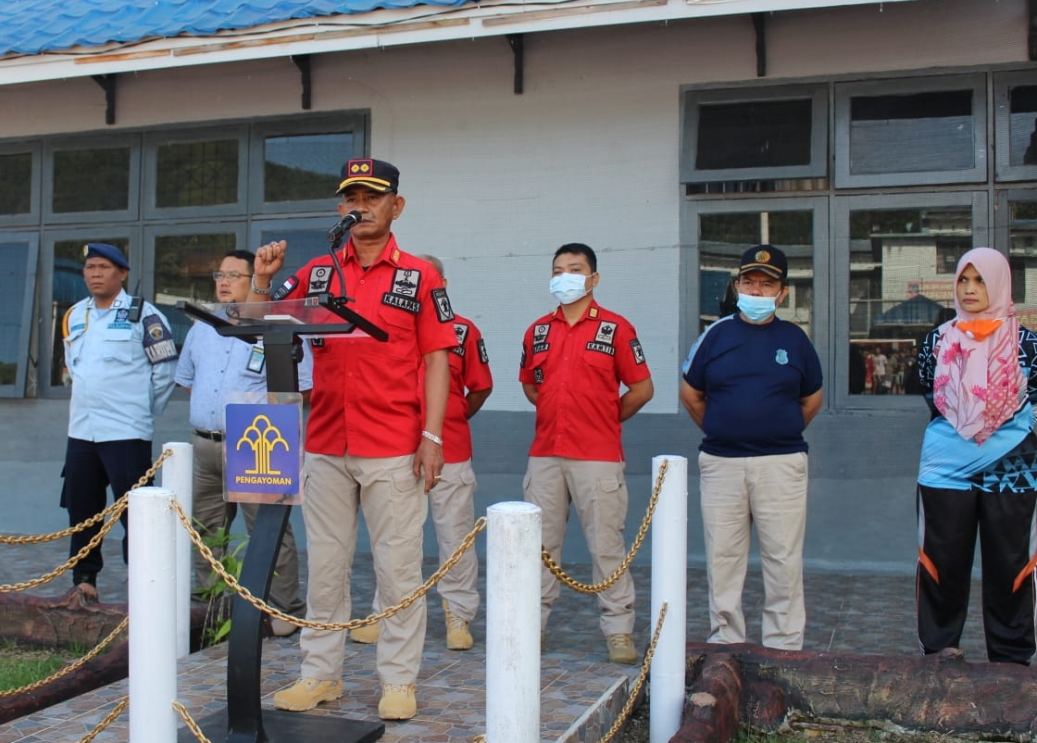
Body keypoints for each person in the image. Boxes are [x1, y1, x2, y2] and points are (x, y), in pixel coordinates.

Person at [255, 158, 457, 721]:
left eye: (372, 196)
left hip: (392, 443)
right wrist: (264, 281)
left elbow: (438, 359)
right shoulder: (319, 271)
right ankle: (320, 674)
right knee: (326, 566)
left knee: (397, 569)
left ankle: (397, 680)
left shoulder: (419, 276)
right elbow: (258, 317)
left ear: (397, 205)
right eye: (351, 197)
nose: (360, 206)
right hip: (324, 440)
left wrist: (432, 436)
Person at [679, 244, 823, 651]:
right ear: (736, 285)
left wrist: (776, 431)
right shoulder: (716, 335)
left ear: (783, 293)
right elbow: (691, 394)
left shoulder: (795, 340)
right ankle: (726, 644)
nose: (756, 291)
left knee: (782, 560)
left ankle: (783, 647)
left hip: (781, 465)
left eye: (767, 284)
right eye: (748, 282)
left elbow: (812, 400)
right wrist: (726, 429)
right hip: (723, 464)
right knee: (723, 559)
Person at [349, 254, 494, 651]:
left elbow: (480, 387)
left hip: (450, 449)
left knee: (455, 537)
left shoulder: (464, 331)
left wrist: (453, 416)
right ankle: (386, 612)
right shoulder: (384, 324)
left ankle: (458, 615)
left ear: (442, 284)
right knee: (392, 541)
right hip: (393, 447)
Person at [519, 242, 654, 664]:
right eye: (558, 269)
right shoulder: (538, 329)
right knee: (538, 548)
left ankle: (618, 630)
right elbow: (530, 384)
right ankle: (530, 627)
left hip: (597, 455)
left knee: (606, 546)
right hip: (545, 454)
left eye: (575, 269)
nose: (565, 277)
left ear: (594, 278)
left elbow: (642, 389)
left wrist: (606, 419)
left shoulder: (616, 329)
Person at [174, 249, 312, 636]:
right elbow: (188, 380)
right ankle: (210, 604)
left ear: (256, 281)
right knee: (206, 528)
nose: (222, 281)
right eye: (219, 273)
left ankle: (284, 607)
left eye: (234, 275)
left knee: (267, 530)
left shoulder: (278, 323)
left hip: (258, 439)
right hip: (205, 444)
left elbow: (302, 387)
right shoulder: (203, 326)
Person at [915, 247, 1037, 665]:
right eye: (963, 280)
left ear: (1000, 283)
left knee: (1010, 568)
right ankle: (938, 651)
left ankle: (1011, 663)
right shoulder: (936, 339)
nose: (969, 289)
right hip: (945, 471)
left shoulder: (1028, 345)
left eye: (980, 280)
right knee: (941, 565)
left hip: (1013, 472)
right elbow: (932, 396)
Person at [60, 243, 178, 599]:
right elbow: (74, 368)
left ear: (122, 273)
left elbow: (165, 368)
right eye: (89, 267)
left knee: (136, 513)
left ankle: (142, 581)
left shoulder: (145, 315)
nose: (95, 274)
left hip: (126, 432)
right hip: (82, 431)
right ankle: (84, 581)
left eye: (103, 267)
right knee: (82, 510)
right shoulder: (74, 315)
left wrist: (143, 410)